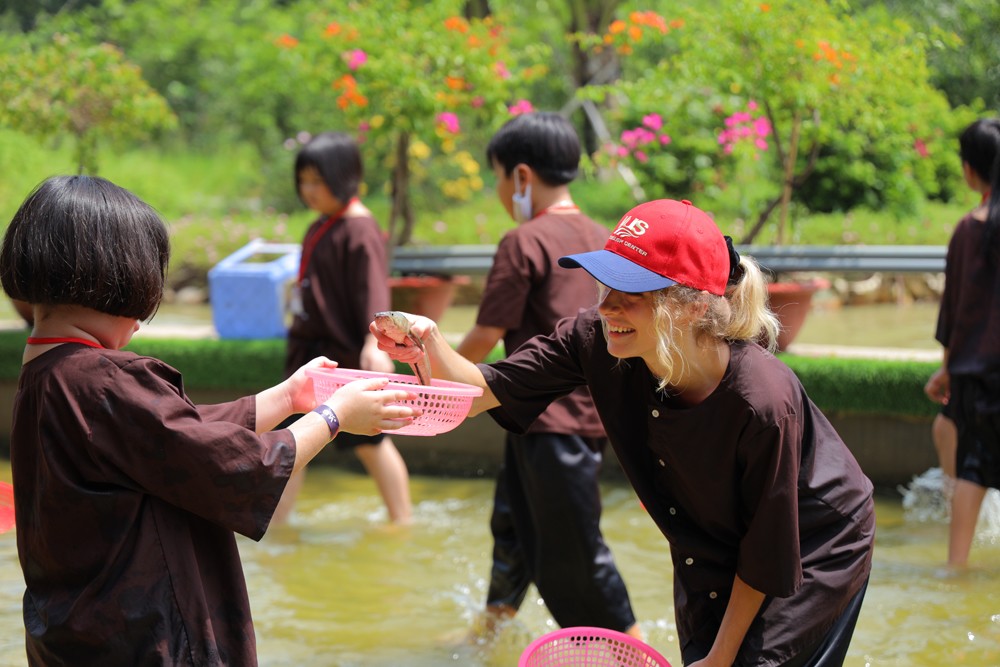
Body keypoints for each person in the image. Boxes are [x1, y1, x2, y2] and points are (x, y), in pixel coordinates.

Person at [373, 198, 875, 666]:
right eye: (605, 284)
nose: (609, 306)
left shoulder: (762, 401)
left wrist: (721, 659)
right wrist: (430, 346)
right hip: (712, 531)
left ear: (693, 305)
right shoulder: (595, 338)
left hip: (815, 542)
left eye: (630, 291)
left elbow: (765, 554)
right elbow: (487, 390)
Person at [0, 175, 420, 665]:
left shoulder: (45, 377)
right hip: (146, 643)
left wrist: (287, 397)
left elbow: (179, 435)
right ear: (114, 281)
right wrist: (334, 416)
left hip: (73, 643)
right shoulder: (105, 381)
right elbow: (234, 465)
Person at [456, 112, 639, 639]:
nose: (497, 189)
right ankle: (488, 631)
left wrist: (426, 379)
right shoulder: (606, 238)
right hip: (565, 419)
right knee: (512, 530)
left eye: (497, 177)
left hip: (551, 421)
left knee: (579, 554)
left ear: (520, 176)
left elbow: (487, 332)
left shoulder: (525, 240)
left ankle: (637, 649)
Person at [274, 131, 412, 524]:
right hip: (312, 354)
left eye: (317, 180)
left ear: (343, 177)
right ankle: (278, 523)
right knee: (295, 440)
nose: (308, 189)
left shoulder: (359, 229)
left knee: (370, 443)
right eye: (303, 181)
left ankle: (401, 521)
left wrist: (375, 342)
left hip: (343, 358)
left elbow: (373, 291)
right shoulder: (324, 224)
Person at [924, 116, 1000, 568]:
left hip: (976, 373)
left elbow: (955, 310)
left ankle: (955, 570)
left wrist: (947, 367)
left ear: (970, 170)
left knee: (973, 468)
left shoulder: (968, 230)